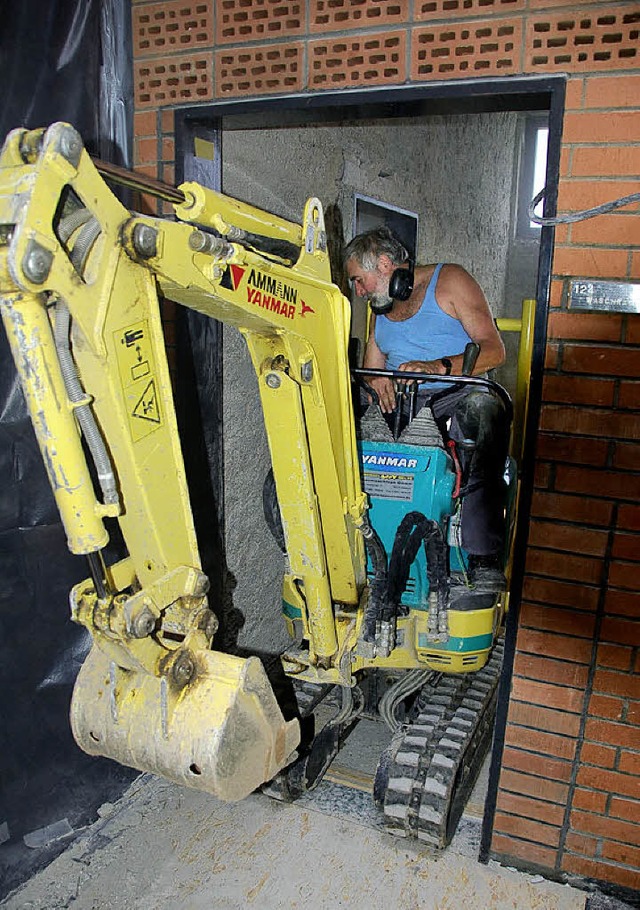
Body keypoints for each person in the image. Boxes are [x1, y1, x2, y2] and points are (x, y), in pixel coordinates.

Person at [344, 226, 510, 593]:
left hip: (455, 394)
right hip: (402, 402)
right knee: (339, 416)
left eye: (359, 280)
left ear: (385, 265)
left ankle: (482, 555)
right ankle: (347, 538)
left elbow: (495, 350)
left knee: (481, 416)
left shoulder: (450, 281)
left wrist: (436, 367)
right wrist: (376, 382)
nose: (358, 291)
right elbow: (375, 360)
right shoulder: (382, 305)